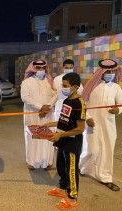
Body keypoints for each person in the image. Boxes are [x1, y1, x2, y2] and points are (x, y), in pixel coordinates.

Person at [44, 72, 86, 210]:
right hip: (62, 139)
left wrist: (60, 136)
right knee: (61, 166)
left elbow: (80, 128)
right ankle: (62, 188)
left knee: (71, 170)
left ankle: (72, 196)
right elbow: (63, 120)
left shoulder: (79, 103)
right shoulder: (67, 100)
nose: (62, 88)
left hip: (72, 142)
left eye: (65, 86)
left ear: (74, 87)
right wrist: (48, 125)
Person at [79, 59, 122, 191]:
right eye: (107, 71)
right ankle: (83, 168)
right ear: (101, 72)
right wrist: (87, 117)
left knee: (107, 151)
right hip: (92, 123)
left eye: (112, 71)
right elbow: (82, 104)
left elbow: (121, 103)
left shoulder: (116, 87)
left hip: (109, 124)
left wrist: (118, 110)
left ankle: (106, 177)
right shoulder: (92, 86)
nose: (110, 74)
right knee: (91, 150)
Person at [20, 59, 57, 170]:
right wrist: (40, 106)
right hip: (32, 114)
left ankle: (48, 161)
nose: (40, 70)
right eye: (38, 68)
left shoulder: (50, 81)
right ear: (33, 69)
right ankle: (31, 161)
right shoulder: (27, 82)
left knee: (48, 136)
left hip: (48, 113)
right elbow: (25, 97)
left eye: (42, 68)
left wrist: (48, 106)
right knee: (33, 136)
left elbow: (55, 94)